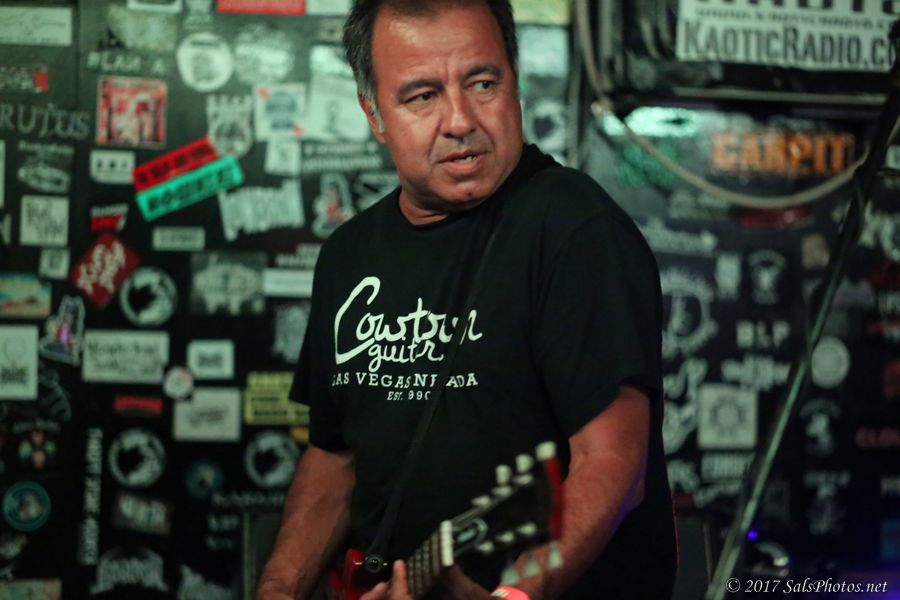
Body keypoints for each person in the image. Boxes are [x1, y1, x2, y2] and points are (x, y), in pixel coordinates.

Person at [256, 1, 677, 599]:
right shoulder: (350, 254)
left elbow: (612, 463)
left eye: (482, 83)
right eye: (422, 96)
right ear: (374, 114)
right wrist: (277, 588)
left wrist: (513, 594)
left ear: (515, 81)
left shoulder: (575, 229)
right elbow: (335, 459)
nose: (459, 120)